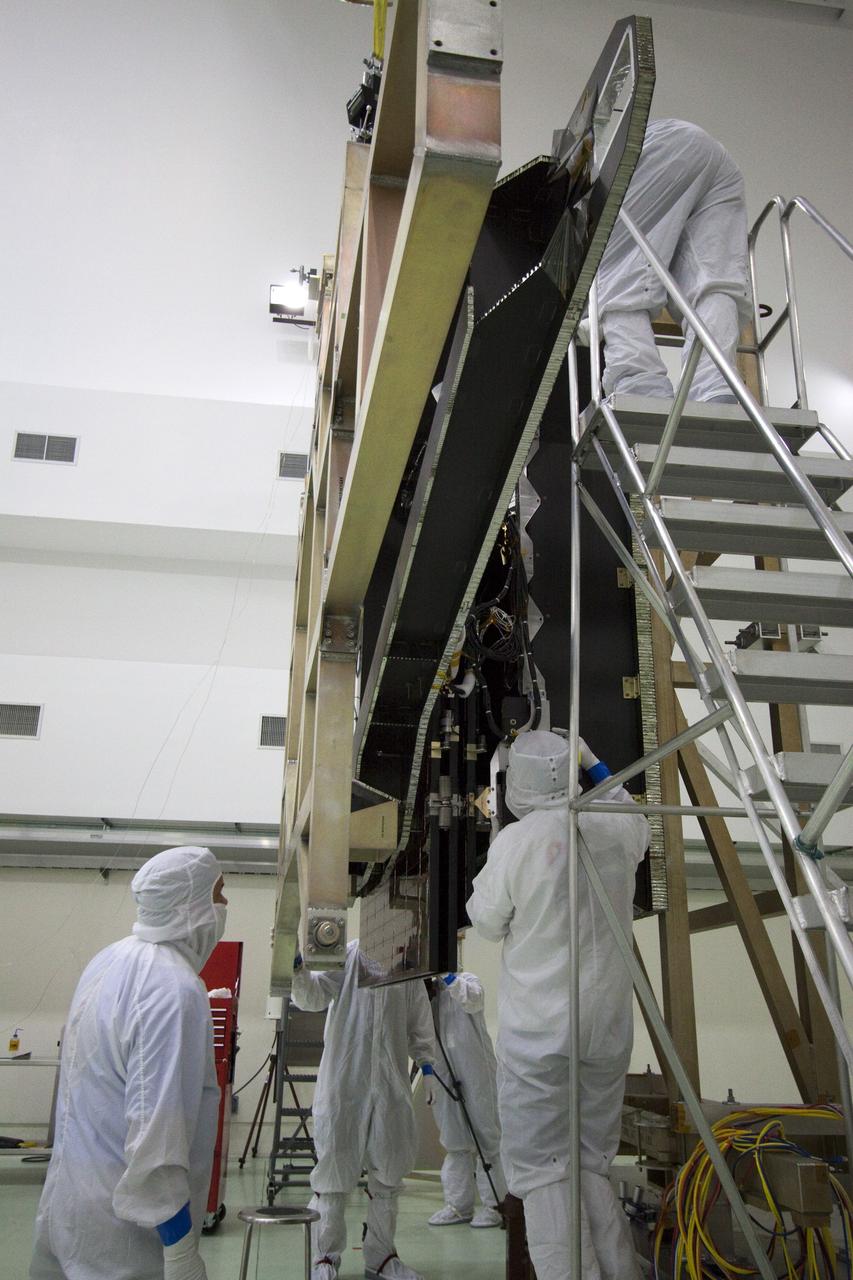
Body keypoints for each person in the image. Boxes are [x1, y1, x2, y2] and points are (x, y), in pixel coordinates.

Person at [466, 731, 649, 1280]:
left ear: (516, 785)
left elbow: (485, 920)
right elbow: (633, 813)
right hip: (607, 1033)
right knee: (590, 1162)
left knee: (543, 1172)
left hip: (540, 1037)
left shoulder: (517, 843)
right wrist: (591, 760)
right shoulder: (617, 828)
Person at [30, 845, 227, 1280]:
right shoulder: (172, 988)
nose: (224, 904)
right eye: (218, 893)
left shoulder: (109, 960)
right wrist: (180, 1250)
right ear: (191, 903)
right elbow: (157, 1135)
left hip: (71, 1205)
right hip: (125, 1241)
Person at [291, 940, 437, 1280]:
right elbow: (311, 997)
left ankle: (381, 1259)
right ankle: (324, 1258)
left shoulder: (408, 966)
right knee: (334, 1173)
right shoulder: (345, 956)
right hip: (345, 1084)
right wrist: (296, 965)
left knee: (388, 1173)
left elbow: (419, 1022)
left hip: (390, 1087)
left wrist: (428, 1067)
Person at [596, 118, 750, 404]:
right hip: (711, 155)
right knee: (712, 281)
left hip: (659, 149)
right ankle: (715, 384)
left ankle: (641, 384)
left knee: (613, 273)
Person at [427, 971, 506, 1228]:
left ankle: (496, 1205)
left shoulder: (468, 979)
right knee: (454, 1139)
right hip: (442, 1070)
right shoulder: (428, 995)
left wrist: (447, 977)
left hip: (476, 1070)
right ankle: (459, 1206)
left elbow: (473, 1000)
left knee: (487, 1137)